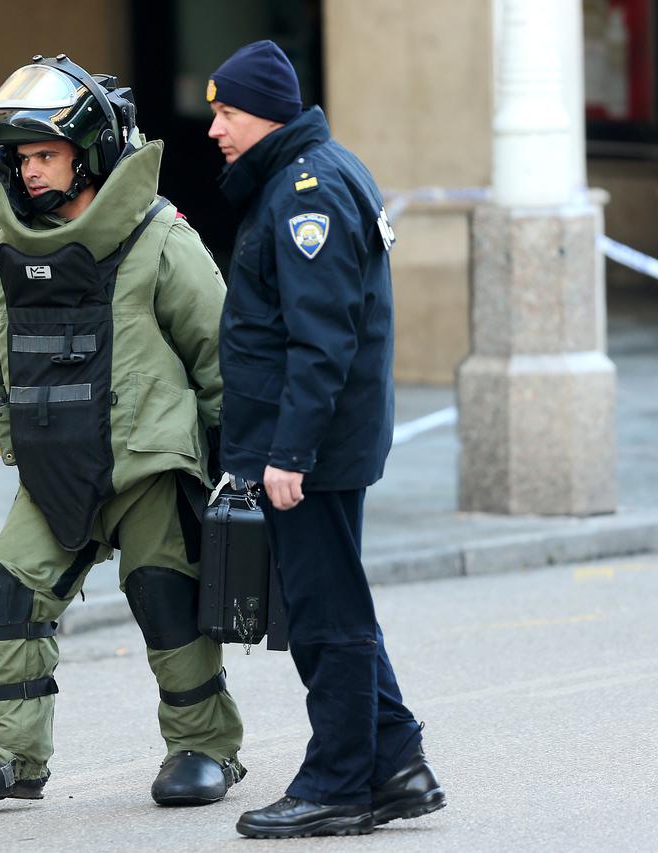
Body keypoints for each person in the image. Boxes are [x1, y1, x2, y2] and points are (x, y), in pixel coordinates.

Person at [0, 54, 246, 806]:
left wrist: (238, 456)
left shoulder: (160, 238)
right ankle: (12, 758)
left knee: (165, 595)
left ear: (89, 152)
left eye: (45, 155)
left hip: (146, 463)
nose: (29, 173)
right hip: (52, 466)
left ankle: (203, 750)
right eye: (23, 158)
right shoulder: (4, 254)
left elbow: (218, 348)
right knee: (9, 587)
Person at [204, 41, 447, 838]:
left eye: (227, 112)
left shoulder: (307, 188)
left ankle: (338, 783)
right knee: (334, 603)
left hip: (308, 451)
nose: (215, 128)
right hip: (313, 445)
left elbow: (323, 339)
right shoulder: (308, 175)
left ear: (269, 113)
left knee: (324, 615)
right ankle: (397, 761)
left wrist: (288, 453)